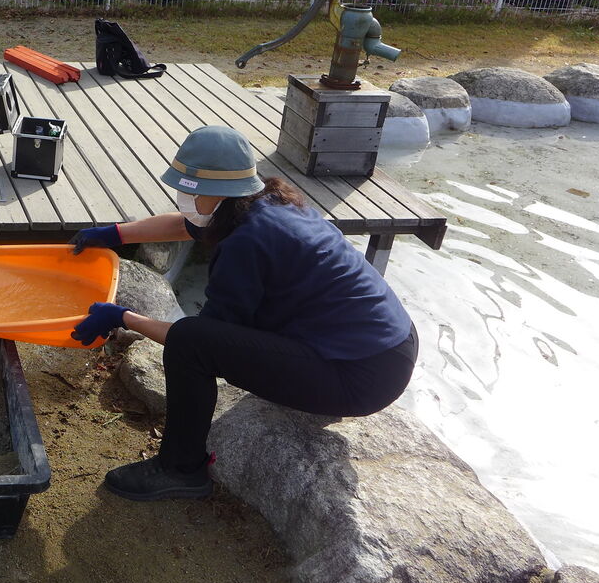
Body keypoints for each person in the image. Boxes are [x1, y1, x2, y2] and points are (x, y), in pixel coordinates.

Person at [69, 126, 417, 502]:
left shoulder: (245, 243)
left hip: (362, 376)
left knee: (190, 343)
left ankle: (181, 468)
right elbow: (186, 224)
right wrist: (115, 234)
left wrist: (123, 317)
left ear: (221, 193)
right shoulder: (267, 203)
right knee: (204, 336)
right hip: (389, 345)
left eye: (192, 191)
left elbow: (200, 339)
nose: (184, 199)